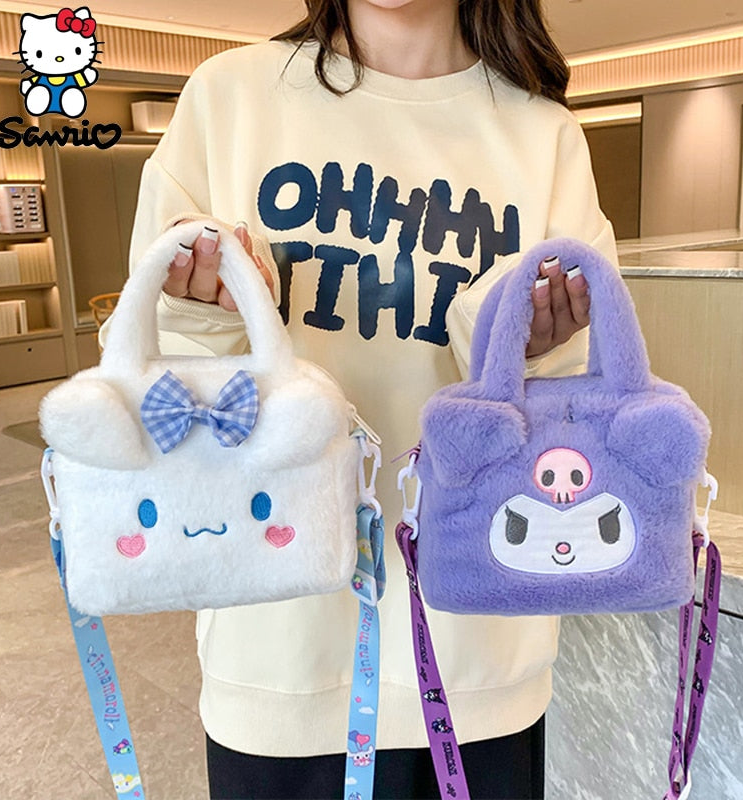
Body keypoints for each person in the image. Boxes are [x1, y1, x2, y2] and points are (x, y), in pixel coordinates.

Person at [120, 1, 618, 797]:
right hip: (281, 647)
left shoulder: (543, 133)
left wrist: (514, 343)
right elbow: (157, 381)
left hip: (479, 658)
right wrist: (211, 313)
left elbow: (572, 404)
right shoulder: (229, 98)